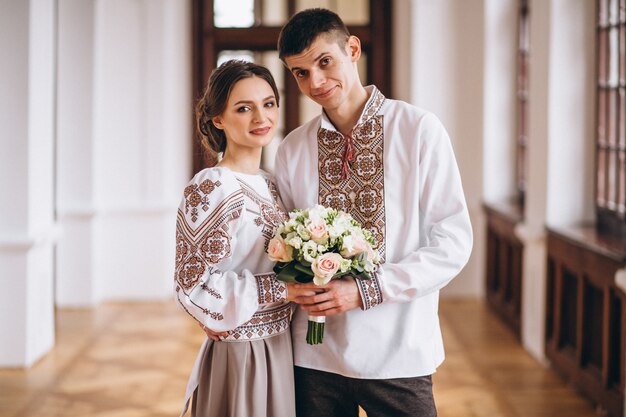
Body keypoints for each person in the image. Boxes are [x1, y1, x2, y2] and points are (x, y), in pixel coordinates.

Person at [274, 8, 473, 417]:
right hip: (314, 357)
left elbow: (452, 242)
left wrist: (366, 289)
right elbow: (282, 248)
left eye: (324, 62)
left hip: (400, 352)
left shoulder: (418, 130)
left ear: (352, 49)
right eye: (300, 73)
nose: (316, 82)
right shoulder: (292, 149)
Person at [174, 59, 298, 417]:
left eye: (268, 104)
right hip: (241, 348)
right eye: (244, 108)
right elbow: (191, 282)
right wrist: (283, 291)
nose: (261, 117)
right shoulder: (212, 184)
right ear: (218, 119)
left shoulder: (272, 183)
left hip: (280, 343)